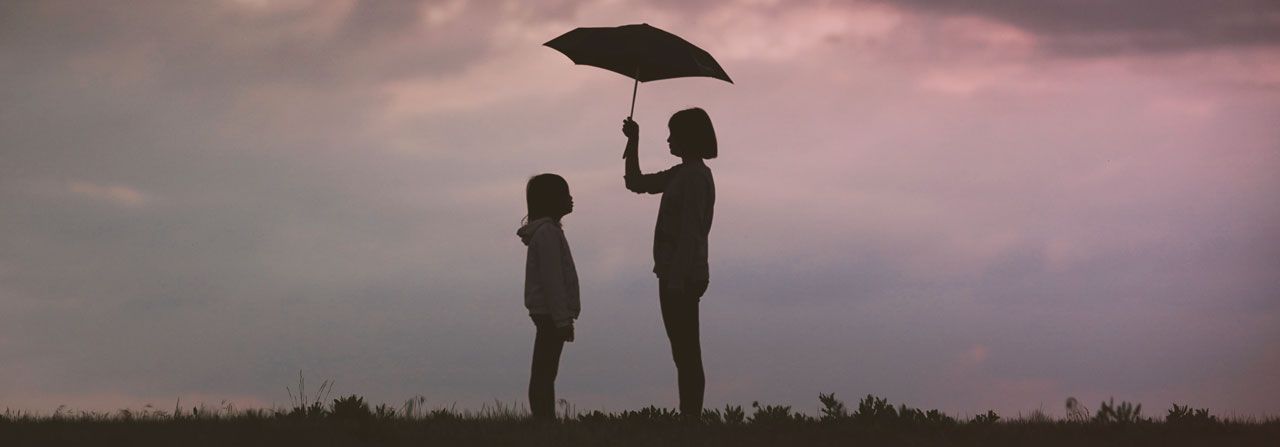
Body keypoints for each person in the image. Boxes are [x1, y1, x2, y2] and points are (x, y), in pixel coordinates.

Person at [621, 108, 717, 419]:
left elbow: (690, 231)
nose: (668, 139)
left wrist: (677, 279)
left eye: (673, 133)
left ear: (689, 137)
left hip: (683, 276)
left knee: (687, 350)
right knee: (683, 350)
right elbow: (636, 183)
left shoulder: (693, 177)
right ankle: (689, 415)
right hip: (677, 274)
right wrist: (632, 142)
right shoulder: (681, 173)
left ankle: (691, 418)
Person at [516, 173, 580, 422]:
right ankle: (544, 420)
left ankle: (544, 418)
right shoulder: (547, 234)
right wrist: (563, 320)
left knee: (545, 369)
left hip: (548, 312)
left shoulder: (548, 233)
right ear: (552, 200)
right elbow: (552, 280)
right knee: (545, 370)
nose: (571, 198)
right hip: (550, 314)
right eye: (565, 194)